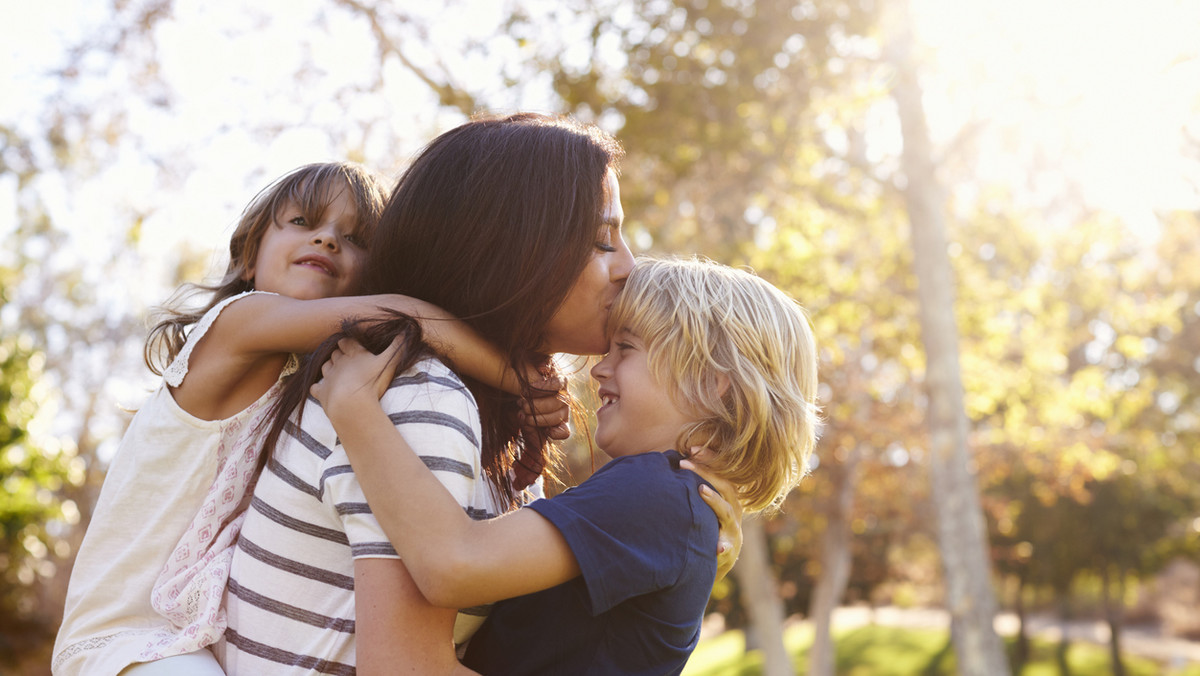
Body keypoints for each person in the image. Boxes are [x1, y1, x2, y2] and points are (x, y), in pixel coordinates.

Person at [216, 114, 743, 676]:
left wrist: (676, 540)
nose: (628, 268)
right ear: (508, 251)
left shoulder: (486, 414)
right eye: (599, 241)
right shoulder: (421, 401)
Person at [51, 161, 557, 676]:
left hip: (196, 628)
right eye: (303, 223)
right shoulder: (237, 323)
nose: (328, 241)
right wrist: (520, 381)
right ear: (250, 257)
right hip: (126, 635)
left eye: (353, 238)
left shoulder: (312, 375)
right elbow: (404, 316)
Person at [314, 255, 820, 675]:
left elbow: (454, 564)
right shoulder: (673, 504)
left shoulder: (657, 493)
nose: (600, 366)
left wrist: (354, 407)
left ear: (713, 382)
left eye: (626, 348)